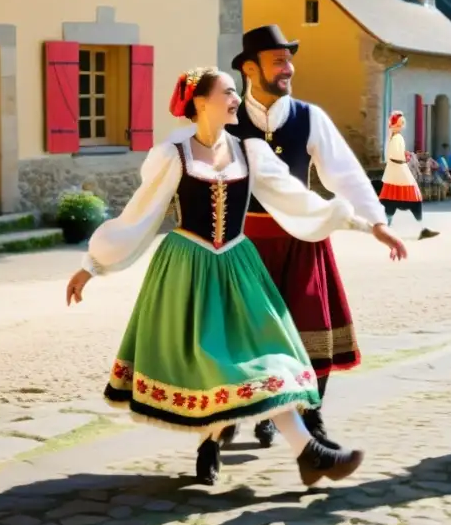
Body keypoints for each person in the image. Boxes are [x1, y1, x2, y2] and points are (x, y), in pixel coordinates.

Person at [65, 67, 405, 486]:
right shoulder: (174, 156)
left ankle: (308, 453)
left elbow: (299, 200)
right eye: (227, 92)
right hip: (188, 271)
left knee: (268, 359)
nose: (235, 99)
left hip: (240, 268)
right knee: (214, 365)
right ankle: (243, 447)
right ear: (200, 101)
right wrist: (91, 266)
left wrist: (369, 225)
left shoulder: (250, 151)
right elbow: (138, 215)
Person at [221, 25, 406, 451]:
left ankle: (311, 416)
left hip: (303, 237)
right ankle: (232, 415)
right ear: (250, 68)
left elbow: (344, 174)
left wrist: (376, 223)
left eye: (289, 60)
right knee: (241, 334)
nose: (288, 68)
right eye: (278, 61)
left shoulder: (309, 117)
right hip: (245, 243)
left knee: (311, 330)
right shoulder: (229, 119)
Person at [379, 110, 439, 239]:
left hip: (393, 172)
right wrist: (404, 157)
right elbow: (394, 156)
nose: (402, 126)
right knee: (413, 198)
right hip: (399, 171)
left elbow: (391, 155)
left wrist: (403, 156)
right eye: (400, 123)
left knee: (390, 200)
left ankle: (387, 228)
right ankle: (421, 228)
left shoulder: (393, 137)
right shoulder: (396, 137)